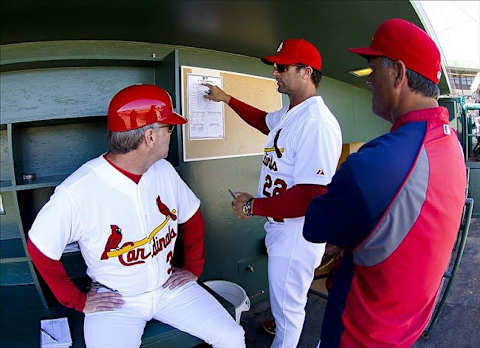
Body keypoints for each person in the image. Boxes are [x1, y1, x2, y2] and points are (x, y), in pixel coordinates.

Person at [27, 84, 245, 348]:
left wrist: (192, 268)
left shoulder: (163, 171)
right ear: (150, 137)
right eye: (169, 128)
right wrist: (78, 301)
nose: (171, 134)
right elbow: (40, 248)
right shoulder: (78, 190)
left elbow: (191, 215)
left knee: (232, 337)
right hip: (117, 301)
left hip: (169, 289)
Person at [303, 18, 467, 348]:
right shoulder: (451, 143)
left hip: (356, 335)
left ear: (398, 74)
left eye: (372, 69)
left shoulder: (376, 161)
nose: (369, 81)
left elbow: (315, 227)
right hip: (404, 331)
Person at [204, 38, 342, 347]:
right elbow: (262, 122)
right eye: (275, 67)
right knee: (285, 310)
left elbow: (311, 196)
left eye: (282, 67)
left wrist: (253, 206)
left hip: (297, 232)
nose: (275, 73)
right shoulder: (291, 112)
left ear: (306, 72)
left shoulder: (317, 123)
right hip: (281, 227)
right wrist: (227, 99)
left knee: (289, 316)